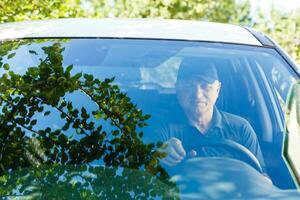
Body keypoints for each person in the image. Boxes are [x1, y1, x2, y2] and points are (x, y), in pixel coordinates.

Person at [158, 57, 267, 173]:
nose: (197, 95)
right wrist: (159, 154)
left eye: (205, 86)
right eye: (189, 86)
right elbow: (144, 173)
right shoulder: (160, 129)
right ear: (177, 88)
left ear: (218, 90)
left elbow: (261, 176)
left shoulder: (241, 128)